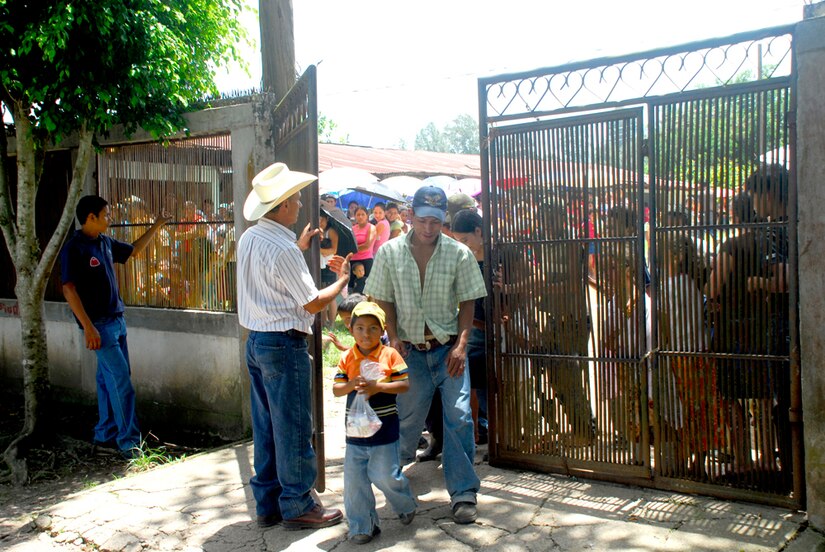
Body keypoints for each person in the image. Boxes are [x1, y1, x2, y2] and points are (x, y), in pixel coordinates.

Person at [365, 185, 487, 524]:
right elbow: (382, 295)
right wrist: (392, 331)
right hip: (411, 353)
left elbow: (468, 301)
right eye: (422, 220)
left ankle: (463, 493)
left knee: (460, 417)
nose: (429, 228)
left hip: (448, 350)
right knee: (406, 421)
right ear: (410, 217)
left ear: (443, 219)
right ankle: (394, 481)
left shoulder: (458, 254)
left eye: (435, 221)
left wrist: (462, 344)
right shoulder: (389, 252)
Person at [237, 162, 349, 530]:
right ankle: (299, 502)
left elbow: (274, 281)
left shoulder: (252, 237)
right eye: (296, 199)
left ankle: (268, 502)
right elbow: (313, 303)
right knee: (294, 427)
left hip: (257, 341)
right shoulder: (282, 248)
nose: (301, 205)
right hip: (283, 344)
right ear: (282, 205)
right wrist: (341, 280)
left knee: (268, 427)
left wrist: (298, 248)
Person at [60, 195, 171, 459]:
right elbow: (68, 289)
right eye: (106, 215)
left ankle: (105, 432)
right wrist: (88, 327)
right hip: (99, 326)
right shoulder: (74, 248)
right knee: (121, 382)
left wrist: (156, 226)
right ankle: (130, 443)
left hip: (117, 321)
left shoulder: (105, 243)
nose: (110, 219)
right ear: (91, 217)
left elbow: (134, 251)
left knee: (106, 379)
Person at [333, 302, 417, 544]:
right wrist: (351, 384)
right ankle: (362, 525)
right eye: (359, 327)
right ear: (351, 329)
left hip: (384, 430)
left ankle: (405, 503)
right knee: (354, 481)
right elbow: (337, 389)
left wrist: (378, 386)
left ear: (382, 330)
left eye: (372, 328)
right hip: (356, 432)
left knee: (385, 475)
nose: (365, 334)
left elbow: (404, 384)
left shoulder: (390, 354)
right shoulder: (348, 357)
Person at [450, 209, 489, 445]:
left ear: (478, 230)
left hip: (502, 330)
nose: (463, 246)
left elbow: (534, 279)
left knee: (495, 386)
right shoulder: (465, 259)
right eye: (458, 242)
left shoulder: (500, 253)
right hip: (473, 328)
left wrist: (509, 286)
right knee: (472, 383)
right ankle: (477, 432)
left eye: (465, 240)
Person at [350, 205, 376, 287]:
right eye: (358, 215)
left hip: (366, 260)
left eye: (363, 214)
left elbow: (367, 246)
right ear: (355, 216)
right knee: (352, 287)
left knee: (366, 287)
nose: (360, 217)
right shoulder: (352, 228)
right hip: (353, 261)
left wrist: (353, 248)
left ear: (367, 216)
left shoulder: (371, 227)